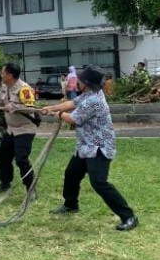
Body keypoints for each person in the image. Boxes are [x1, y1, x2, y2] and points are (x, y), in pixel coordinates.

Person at [41, 65, 139, 231]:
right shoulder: (90, 94)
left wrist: (55, 114)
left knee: (99, 183)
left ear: (85, 82)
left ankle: (128, 216)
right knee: (72, 173)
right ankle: (71, 205)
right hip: (86, 146)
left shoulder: (94, 100)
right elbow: (72, 103)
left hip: (99, 147)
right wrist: (52, 108)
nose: (77, 81)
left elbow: (73, 119)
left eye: (80, 79)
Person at [0, 62, 38, 195]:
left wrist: (14, 107)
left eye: (3, 72)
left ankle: (31, 189)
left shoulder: (24, 88)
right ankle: (5, 183)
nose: (1, 74)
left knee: (21, 159)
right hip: (11, 129)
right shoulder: (5, 87)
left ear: (10, 75)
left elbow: (30, 109)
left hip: (25, 129)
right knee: (3, 156)